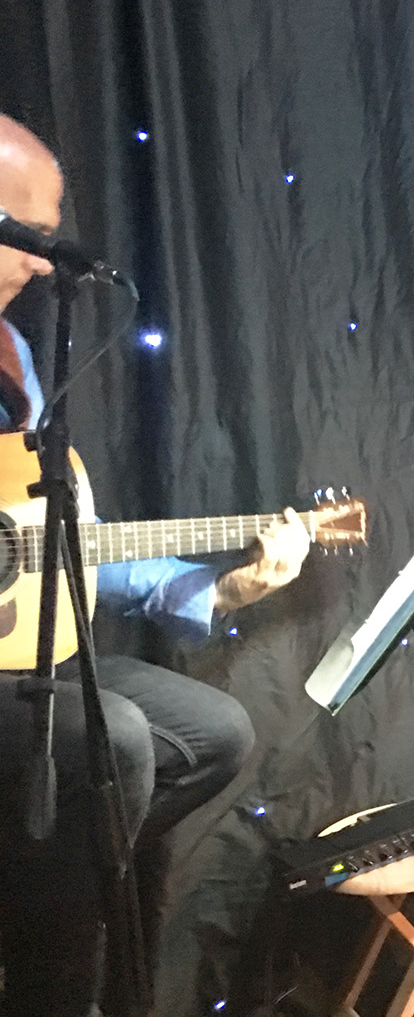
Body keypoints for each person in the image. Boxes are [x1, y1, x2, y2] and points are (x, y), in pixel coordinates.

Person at [0, 114, 312, 1016]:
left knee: (215, 732)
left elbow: (61, 542)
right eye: (31, 238)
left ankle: (38, 907)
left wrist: (223, 587)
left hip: (29, 660)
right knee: (120, 740)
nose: (47, 266)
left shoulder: (13, 355)